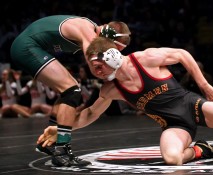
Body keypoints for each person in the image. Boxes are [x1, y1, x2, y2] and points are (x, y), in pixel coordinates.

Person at [37, 37, 213, 166]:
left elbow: (182, 55)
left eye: (99, 64)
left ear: (113, 55)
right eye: (93, 67)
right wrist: (64, 130)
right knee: (172, 159)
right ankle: (204, 150)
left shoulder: (145, 58)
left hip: (192, 106)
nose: (97, 71)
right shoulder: (111, 90)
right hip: (173, 125)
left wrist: (204, 84)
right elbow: (89, 115)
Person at [10, 15, 131, 167]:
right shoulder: (88, 31)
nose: (109, 54)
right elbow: (95, 67)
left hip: (31, 46)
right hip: (26, 46)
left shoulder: (93, 32)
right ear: (107, 39)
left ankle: (53, 143)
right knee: (72, 90)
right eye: (111, 50)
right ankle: (61, 151)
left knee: (69, 89)